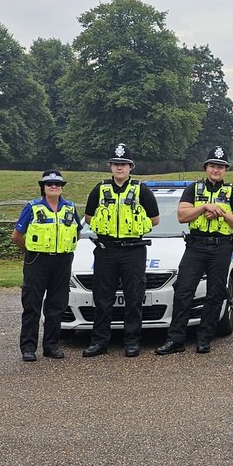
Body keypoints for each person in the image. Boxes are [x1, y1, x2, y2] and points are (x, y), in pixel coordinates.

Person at [155, 145, 233, 355]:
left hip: (221, 247)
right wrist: (204, 207)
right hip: (196, 246)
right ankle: (176, 339)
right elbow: (182, 216)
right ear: (206, 167)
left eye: (220, 167)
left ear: (225, 170)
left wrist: (221, 213)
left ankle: (204, 338)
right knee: (183, 290)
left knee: (215, 293)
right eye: (213, 166)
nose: (216, 170)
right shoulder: (193, 189)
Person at [81, 144, 160, 358]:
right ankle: (99, 342)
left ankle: (132, 341)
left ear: (130, 167)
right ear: (110, 166)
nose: (119, 167)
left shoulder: (141, 190)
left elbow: (154, 219)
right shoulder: (99, 189)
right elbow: (88, 217)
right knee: (102, 298)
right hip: (106, 250)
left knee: (133, 298)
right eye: (116, 164)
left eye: (123, 164)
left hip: (133, 251)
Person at [12, 169, 81, 362]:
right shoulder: (33, 207)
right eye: (49, 184)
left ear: (62, 187)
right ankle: (28, 347)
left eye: (58, 184)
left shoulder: (70, 208)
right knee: (32, 304)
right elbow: (17, 235)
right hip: (37, 260)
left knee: (57, 305)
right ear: (43, 187)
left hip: (62, 260)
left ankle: (51, 345)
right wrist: (30, 251)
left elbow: (77, 232)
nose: (54, 187)